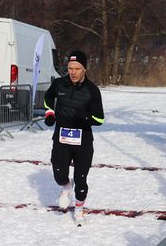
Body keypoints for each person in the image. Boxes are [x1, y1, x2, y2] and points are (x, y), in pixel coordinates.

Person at [44, 50, 104, 225]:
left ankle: (79, 210)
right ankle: (66, 187)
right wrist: (49, 113)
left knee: (81, 179)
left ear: (84, 69)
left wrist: (84, 117)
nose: (73, 72)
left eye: (77, 68)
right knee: (59, 175)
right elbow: (48, 98)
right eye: (70, 68)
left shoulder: (92, 90)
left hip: (83, 141)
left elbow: (100, 119)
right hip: (61, 138)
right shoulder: (59, 84)